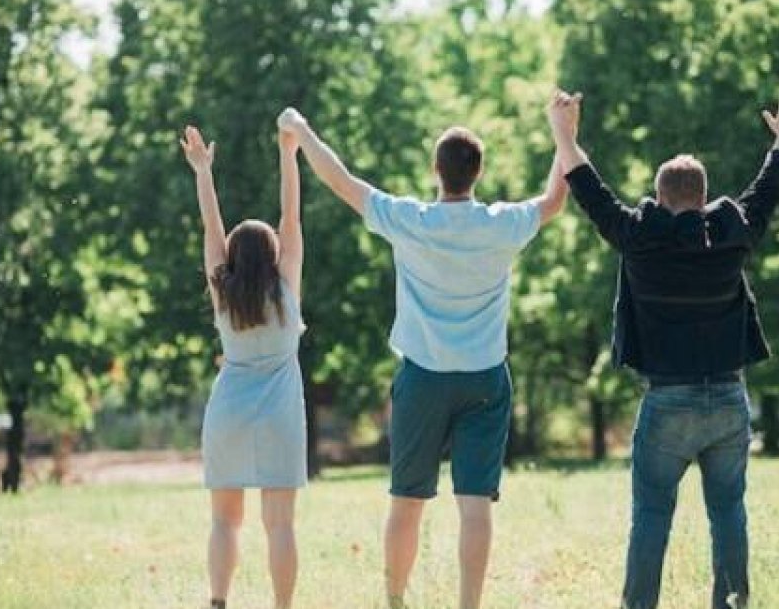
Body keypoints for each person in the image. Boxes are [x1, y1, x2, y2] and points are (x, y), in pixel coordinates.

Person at [276, 98, 573, 609]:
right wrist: (565, 135)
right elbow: (554, 201)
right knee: (475, 503)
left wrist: (300, 130)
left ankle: (395, 599)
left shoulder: (409, 220)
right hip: (485, 379)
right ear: (477, 173)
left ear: (436, 170)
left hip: (423, 380)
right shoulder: (501, 224)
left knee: (407, 500)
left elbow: (341, 180)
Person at [556, 90, 779, 609]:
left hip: (667, 402)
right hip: (728, 401)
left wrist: (565, 134)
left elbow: (589, 190)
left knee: (651, 516)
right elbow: (767, 190)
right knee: (729, 513)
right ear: (703, 195)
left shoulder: (636, 237)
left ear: (659, 194)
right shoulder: (734, 238)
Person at [180, 124, 307, 609]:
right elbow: (291, 216)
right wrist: (287, 154)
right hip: (280, 416)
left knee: (223, 521)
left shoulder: (223, 292)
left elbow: (211, 228)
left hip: (227, 412)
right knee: (280, 524)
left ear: (231, 258)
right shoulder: (286, 289)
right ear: (275, 254)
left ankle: (218, 601)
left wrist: (204, 172)